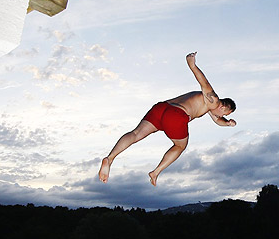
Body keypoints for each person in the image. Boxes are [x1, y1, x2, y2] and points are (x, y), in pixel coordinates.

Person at [98, 52, 237, 186]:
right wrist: (192, 65)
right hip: (176, 115)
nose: (222, 116)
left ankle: (110, 159)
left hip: (161, 109)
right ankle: (155, 172)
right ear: (223, 107)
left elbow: (217, 120)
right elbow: (204, 82)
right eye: (226, 114)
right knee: (180, 146)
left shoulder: (207, 103)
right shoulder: (214, 100)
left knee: (135, 134)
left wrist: (227, 124)